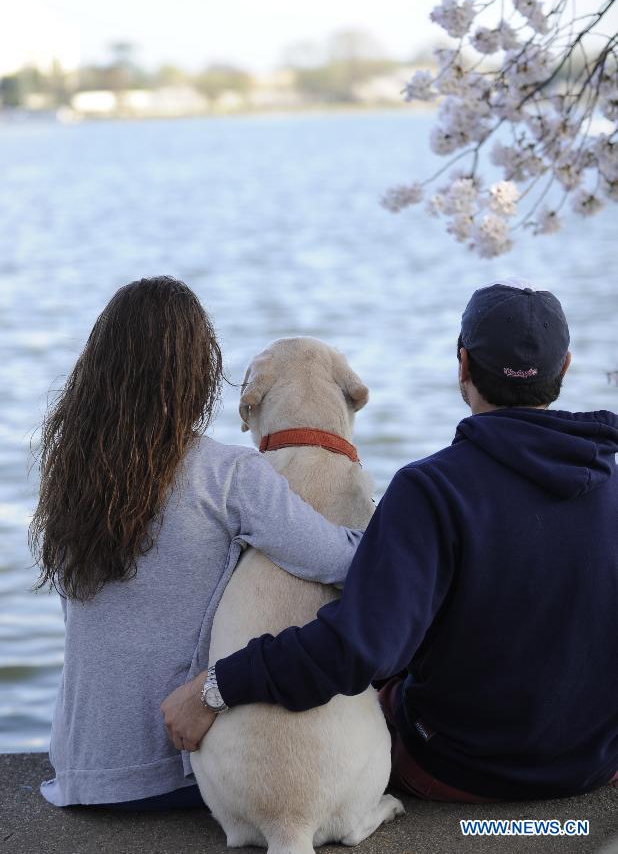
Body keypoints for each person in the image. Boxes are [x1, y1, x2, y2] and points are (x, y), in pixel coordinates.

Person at [162, 279, 618, 802]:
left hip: (460, 770)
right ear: (564, 369)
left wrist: (215, 687)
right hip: (591, 766)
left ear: (464, 366)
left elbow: (359, 649)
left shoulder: (433, 489)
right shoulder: (612, 485)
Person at [31, 276, 364, 809]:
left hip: (78, 772)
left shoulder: (71, 473)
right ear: (196, 373)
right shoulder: (227, 473)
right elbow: (340, 561)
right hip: (170, 774)